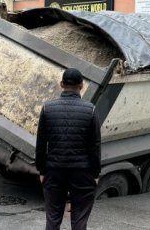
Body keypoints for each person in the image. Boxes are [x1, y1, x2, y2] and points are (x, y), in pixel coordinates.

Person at [36, 68, 101, 230]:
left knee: (52, 219)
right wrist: (95, 174)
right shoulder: (91, 110)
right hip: (82, 172)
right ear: (81, 86)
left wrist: (41, 171)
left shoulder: (47, 108)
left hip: (54, 171)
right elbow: (95, 146)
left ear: (61, 84)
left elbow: (41, 143)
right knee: (79, 220)